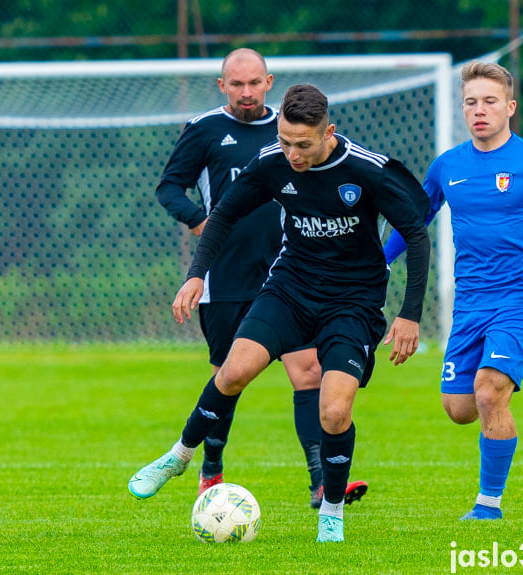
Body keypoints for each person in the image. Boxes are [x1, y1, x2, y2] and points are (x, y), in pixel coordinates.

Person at [130, 84, 431, 542]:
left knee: (334, 411)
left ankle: (331, 510)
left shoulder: (366, 170)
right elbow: (225, 215)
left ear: (329, 132)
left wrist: (410, 314)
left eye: (303, 144)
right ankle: (179, 456)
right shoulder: (273, 161)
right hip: (289, 289)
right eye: (285, 140)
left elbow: (416, 231)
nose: (291, 152)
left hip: (352, 302)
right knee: (232, 373)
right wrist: (196, 275)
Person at [154, 48, 366, 508]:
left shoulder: (292, 129)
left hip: (294, 273)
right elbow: (169, 186)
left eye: (254, 83)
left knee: (308, 369)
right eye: (236, 84)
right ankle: (210, 466)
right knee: (228, 375)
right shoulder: (205, 129)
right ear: (222, 86)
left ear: (269, 82)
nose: (246, 92)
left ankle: (320, 481)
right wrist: (198, 220)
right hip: (226, 273)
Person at [384, 61, 523, 520]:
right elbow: (415, 220)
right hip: (470, 301)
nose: (480, 110)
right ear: (463, 109)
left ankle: (488, 505)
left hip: (520, 296)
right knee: (459, 409)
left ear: (510, 108)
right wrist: (379, 262)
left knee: (489, 391)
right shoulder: (448, 166)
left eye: (490, 101)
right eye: (471, 102)